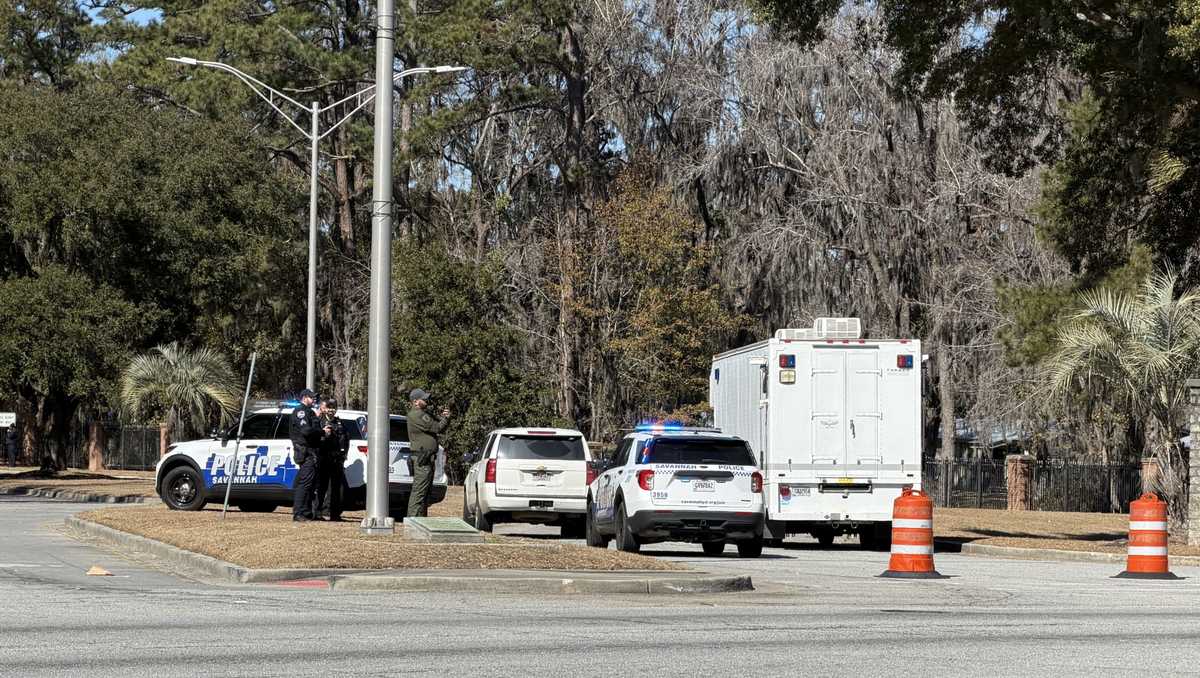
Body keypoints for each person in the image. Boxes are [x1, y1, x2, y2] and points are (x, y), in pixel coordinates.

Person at [405, 388, 449, 519]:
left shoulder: (423, 413)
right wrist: (445, 418)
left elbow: (438, 425)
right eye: (423, 399)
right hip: (422, 458)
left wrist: (444, 417)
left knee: (424, 492)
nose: (426, 400)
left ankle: (421, 520)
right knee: (419, 492)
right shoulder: (417, 415)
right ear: (415, 402)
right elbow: (437, 427)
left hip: (427, 458)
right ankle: (413, 519)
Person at [289, 389, 322, 522]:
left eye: (315, 397)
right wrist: (321, 432)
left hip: (312, 452)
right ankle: (298, 513)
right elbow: (306, 431)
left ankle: (307, 512)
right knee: (305, 483)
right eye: (311, 397)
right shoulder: (300, 411)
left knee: (310, 483)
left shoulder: (310, 412)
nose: (314, 399)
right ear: (304, 398)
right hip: (305, 451)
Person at [315, 398, 349, 521]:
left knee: (336, 488)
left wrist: (344, 455)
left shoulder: (340, 423)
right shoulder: (319, 422)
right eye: (329, 407)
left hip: (336, 460)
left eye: (334, 408)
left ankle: (333, 512)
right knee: (321, 487)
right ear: (325, 409)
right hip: (323, 459)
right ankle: (317, 512)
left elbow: (346, 440)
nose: (331, 410)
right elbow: (315, 439)